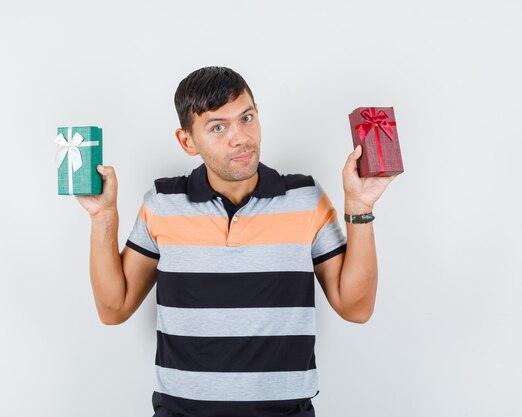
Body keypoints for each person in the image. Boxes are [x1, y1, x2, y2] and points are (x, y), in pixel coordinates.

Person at [76, 66, 396, 417]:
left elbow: (357, 308)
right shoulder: (163, 203)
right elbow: (113, 309)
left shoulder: (304, 197)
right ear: (187, 141)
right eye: (218, 127)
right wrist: (102, 217)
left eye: (247, 118)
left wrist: (360, 206)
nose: (241, 138)